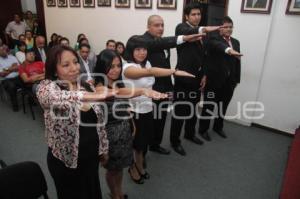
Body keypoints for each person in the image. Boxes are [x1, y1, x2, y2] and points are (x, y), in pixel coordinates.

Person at [36, 45, 116, 199]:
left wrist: (103, 149)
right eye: (66, 65)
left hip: (90, 156)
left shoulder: (86, 85)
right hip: (66, 161)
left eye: (75, 62)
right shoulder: (47, 88)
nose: (74, 68)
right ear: (54, 70)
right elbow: (52, 99)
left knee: (92, 191)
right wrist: (86, 96)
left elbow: (98, 122)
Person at [94, 49, 167, 199]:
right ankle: (114, 195)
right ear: (102, 66)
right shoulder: (98, 86)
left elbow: (125, 105)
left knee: (119, 168)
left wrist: (131, 123)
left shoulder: (118, 81)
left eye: (118, 65)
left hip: (123, 130)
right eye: (111, 66)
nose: (116, 70)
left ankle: (119, 192)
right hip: (108, 136)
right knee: (111, 170)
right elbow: (118, 93)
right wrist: (143, 91)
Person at [122, 36, 194, 184]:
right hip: (135, 112)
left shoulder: (146, 63)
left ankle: (139, 166)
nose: (142, 52)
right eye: (138, 49)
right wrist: (174, 71)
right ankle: (133, 168)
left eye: (144, 49)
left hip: (148, 109)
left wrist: (159, 94)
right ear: (131, 50)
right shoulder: (128, 68)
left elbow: (149, 79)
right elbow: (150, 72)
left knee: (143, 145)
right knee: (136, 145)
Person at [141, 14, 204, 155]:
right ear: (148, 26)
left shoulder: (163, 42)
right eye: (157, 25)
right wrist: (184, 38)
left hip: (164, 88)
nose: (161, 28)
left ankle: (155, 145)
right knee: (148, 123)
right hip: (150, 89)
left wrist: (170, 88)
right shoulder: (143, 41)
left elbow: (166, 64)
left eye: (162, 25)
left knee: (161, 119)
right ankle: (141, 155)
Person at [170, 2, 223, 156]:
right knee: (180, 111)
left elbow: (205, 57)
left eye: (199, 14)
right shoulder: (181, 28)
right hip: (183, 79)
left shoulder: (204, 36)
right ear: (187, 16)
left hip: (197, 79)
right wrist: (204, 29)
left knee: (193, 109)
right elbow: (190, 32)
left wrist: (205, 75)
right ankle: (175, 141)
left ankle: (189, 133)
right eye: (193, 14)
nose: (197, 17)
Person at [198, 16, 242, 141]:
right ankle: (203, 130)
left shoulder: (236, 42)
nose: (228, 29)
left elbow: (237, 61)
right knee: (209, 106)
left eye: (230, 27)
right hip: (213, 82)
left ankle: (218, 127)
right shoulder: (212, 39)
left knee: (223, 107)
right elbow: (211, 54)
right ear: (220, 29)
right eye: (225, 27)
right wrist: (204, 76)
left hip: (229, 82)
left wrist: (236, 79)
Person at [0, 44, 22, 111]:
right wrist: (12, 68)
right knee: (12, 87)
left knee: (26, 81)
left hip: (18, 77)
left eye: (5, 49)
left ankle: (31, 101)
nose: (4, 51)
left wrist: (6, 69)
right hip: (6, 80)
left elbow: (19, 67)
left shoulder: (12, 57)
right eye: (2, 50)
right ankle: (15, 105)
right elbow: (2, 74)